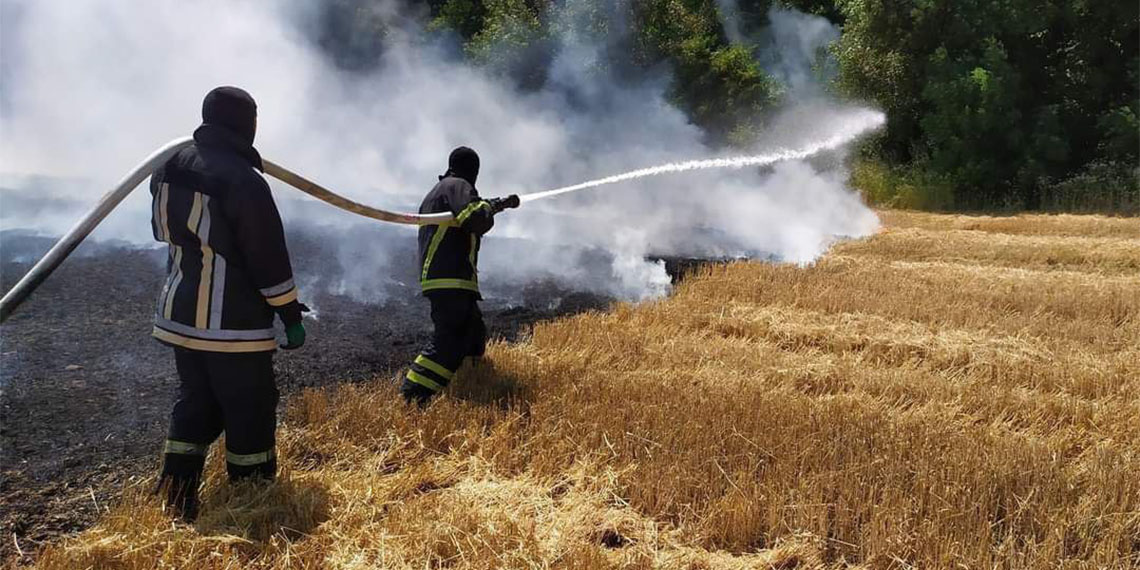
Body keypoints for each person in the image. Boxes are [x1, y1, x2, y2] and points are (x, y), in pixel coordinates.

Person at [150, 86, 308, 520]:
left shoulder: (167, 168)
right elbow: (266, 256)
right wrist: (290, 313)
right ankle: (251, 498)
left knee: (195, 402)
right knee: (250, 407)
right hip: (231, 325)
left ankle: (176, 492)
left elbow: (162, 231)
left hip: (181, 316)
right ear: (245, 124)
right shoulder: (243, 181)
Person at [401, 146, 519, 404]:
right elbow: (475, 219)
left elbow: (467, 213)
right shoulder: (457, 185)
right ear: (472, 171)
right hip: (449, 278)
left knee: (474, 333)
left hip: (449, 278)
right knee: (450, 340)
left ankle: (470, 387)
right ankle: (414, 393)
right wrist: (491, 208)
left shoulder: (441, 190)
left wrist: (499, 204)